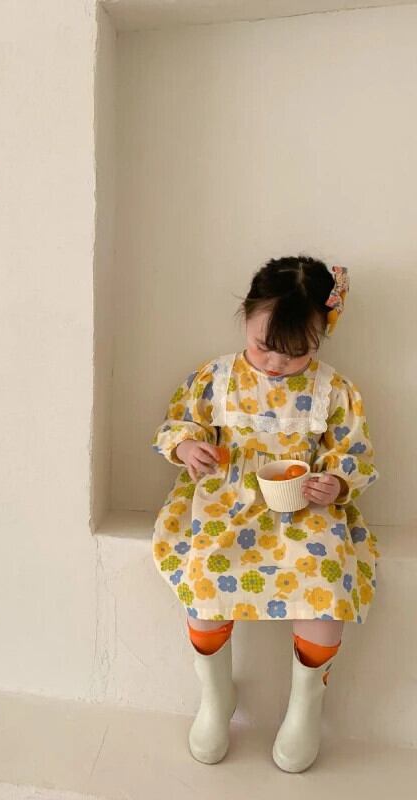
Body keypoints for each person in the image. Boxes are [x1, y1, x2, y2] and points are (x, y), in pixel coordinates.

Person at [150, 255, 379, 772]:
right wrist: (187, 446)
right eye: (263, 346)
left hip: (304, 509)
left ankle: (305, 706)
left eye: (296, 354)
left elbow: (355, 453)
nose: (275, 363)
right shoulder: (217, 377)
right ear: (246, 317)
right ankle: (216, 697)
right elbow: (178, 422)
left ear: (321, 337)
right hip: (226, 504)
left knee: (326, 584)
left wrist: (336, 482)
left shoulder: (334, 390)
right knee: (205, 581)